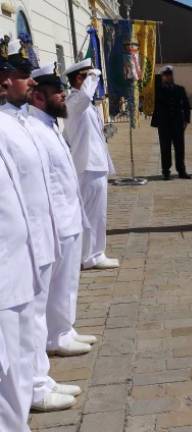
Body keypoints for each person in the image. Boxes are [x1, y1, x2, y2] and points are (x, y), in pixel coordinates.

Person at [2, 40, 81, 412]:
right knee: (21, 329)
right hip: (18, 246)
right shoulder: (11, 127)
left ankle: (38, 381)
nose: (28, 82)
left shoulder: (22, 124)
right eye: (21, 77)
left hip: (36, 236)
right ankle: (33, 388)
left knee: (29, 324)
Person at [0, 36, 40, 431]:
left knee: (19, 352)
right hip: (3, 269)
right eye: (18, 75)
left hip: (17, 261)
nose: (26, 81)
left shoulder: (9, 125)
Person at [63, 59, 120, 270]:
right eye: (88, 77)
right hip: (87, 166)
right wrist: (95, 72)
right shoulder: (75, 101)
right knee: (91, 214)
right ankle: (91, 256)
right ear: (80, 79)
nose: (95, 81)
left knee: (96, 214)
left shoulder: (81, 103)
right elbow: (86, 94)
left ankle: (93, 253)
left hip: (95, 163)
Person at [151, 65, 191, 180]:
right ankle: (166, 171)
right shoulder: (158, 91)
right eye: (166, 76)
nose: (168, 78)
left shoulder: (180, 89)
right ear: (163, 77)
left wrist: (186, 120)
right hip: (164, 125)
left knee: (179, 148)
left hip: (177, 124)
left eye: (169, 75)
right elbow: (155, 106)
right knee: (165, 148)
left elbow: (186, 106)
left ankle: (181, 171)